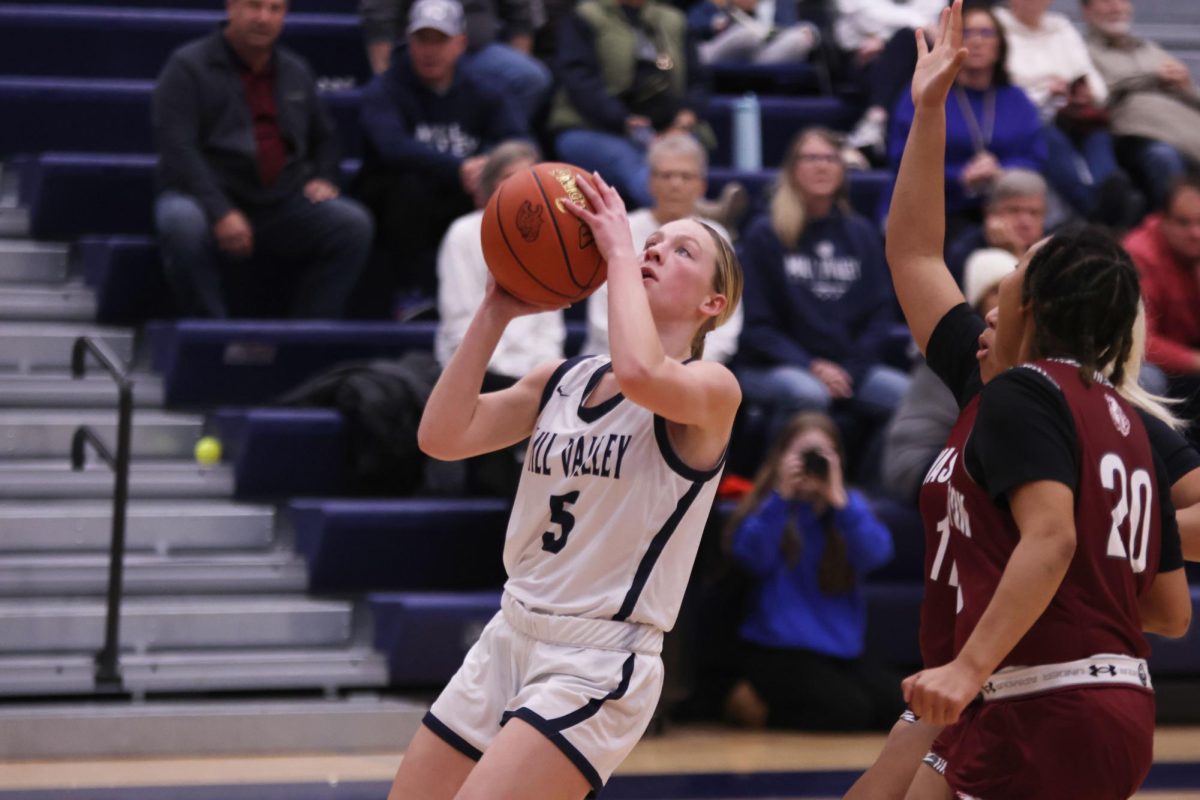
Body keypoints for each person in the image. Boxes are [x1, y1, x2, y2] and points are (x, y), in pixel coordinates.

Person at [861, 5, 1190, 799]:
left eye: (1008, 282)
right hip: (1017, 685)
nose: (989, 300)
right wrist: (929, 110)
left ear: (1030, 308)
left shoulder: (1030, 395)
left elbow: (1051, 541)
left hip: (1037, 687)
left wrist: (1090, 545)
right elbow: (911, 251)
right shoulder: (1040, 394)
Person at [389, 170, 743, 799]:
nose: (656, 249)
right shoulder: (561, 381)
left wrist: (615, 253)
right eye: (652, 241)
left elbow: (640, 372)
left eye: (682, 250)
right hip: (509, 633)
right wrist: (495, 310)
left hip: (597, 661)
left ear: (712, 305)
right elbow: (441, 436)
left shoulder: (711, 391)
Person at [152, 0, 373, 319]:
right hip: (204, 196)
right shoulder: (187, 66)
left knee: (352, 225)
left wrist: (325, 178)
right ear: (231, 7)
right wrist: (221, 211)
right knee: (180, 223)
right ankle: (211, 336)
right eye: (254, 6)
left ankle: (307, 337)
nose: (263, 18)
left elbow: (325, 137)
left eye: (275, 8)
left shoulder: (296, 70)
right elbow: (178, 150)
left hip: (280, 200)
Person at [724, 412, 900, 732]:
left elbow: (877, 554)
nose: (811, 465)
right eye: (803, 455)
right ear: (780, 458)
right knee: (848, 712)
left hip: (839, 650)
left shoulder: (848, 508)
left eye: (820, 456)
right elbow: (750, 558)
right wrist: (782, 498)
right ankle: (749, 704)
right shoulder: (768, 505)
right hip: (777, 650)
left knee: (895, 707)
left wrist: (840, 504)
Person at [737, 128, 909, 438]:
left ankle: (867, 485)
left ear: (843, 170)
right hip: (774, 365)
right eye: (812, 158)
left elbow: (879, 316)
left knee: (909, 401)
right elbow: (758, 327)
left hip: (847, 367)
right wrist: (811, 365)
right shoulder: (765, 233)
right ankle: (779, 483)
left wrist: (849, 370)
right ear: (792, 169)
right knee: (807, 393)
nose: (822, 166)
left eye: (831, 158)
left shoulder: (861, 233)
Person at [354, 0, 529, 303]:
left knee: (506, 184)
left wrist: (488, 165)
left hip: (461, 195)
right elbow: (392, 146)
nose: (429, 50)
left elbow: (517, 140)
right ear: (409, 42)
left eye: (440, 40)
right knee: (410, 187)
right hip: (394, 205)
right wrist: (459, 167)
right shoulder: (386, 88)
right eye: (422, 40)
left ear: (460, 43)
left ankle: (497, 291)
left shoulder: (484, 88)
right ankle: (410, 291)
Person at [886, 3, 1045, 237]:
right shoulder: (926, 93)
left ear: (999, 44)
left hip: (1004, 209)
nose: (977, 41)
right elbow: (901, 157)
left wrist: (1001, 171)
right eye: (967, 33)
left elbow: (1036, 158)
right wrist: (958, 175)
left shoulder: (1017, 100)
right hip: (935, 208)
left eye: (986, 33)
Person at [584, 133, 742, 363]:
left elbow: (726, 325)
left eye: (685, 176)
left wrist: (685, 371)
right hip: (612, 365)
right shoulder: (621, 227)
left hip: (692, 373)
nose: (675, 184)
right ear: (650, 182)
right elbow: (602, 321)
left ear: (702, 185)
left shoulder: (716, 236)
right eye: (666, 175)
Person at [881, 248, 1016, 505]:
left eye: (1011, 293)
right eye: (995, 291)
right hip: (919, 461)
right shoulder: (968, 349)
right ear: (976, 302)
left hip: (957, 452)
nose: (1004, 303)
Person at [548, 0, 713, 209]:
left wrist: (682, 123)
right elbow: (579, 81)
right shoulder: (585, 16)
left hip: (669, 127)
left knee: (682, 155)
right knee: (636, 163)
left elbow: (699, 81)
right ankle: (702, 214)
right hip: (593, 127)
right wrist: (623, 120)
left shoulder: (674, 19)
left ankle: (700, 221)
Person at [994, 0, 1137, 226]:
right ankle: (1094, 209)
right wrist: (1045, 93)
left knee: (1098, 136)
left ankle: (1108, 186)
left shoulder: (1061, 26)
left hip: (1074, 113)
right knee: (1047, 135)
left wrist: (1086, 92)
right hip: (1030, 115)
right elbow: (1003, 82)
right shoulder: (997, 25)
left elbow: (1090, 76)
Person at [1083, 0, 1200, 211]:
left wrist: (1186, 86)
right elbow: (1099, 92)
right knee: (1163, 157)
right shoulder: (1084, 51)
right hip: (1140, 134)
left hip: (1186, 125)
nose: (1116, 7)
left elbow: (1191, 91)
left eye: (1122, 1)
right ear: (1087, 11)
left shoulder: (1151, 49)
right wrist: (1151, 77)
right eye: (1106, 2)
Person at [359, 0, 552, 120]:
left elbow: (520, 14)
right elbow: (379, 17)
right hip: (422, 49)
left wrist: (519, 54)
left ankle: (491, 156)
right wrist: (384, 77)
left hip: (480, 53)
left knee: (530, 77)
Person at [1123, 175, 1200, 439]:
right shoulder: (1140, 255)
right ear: (1162, 220)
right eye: (1183, 223)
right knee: (1148, 378)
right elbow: (1141, 341)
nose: (1195, 233)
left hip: (1187, 357)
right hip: (1148, 363)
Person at [837, 0, 947, 162]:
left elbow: (934, 19)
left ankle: (874, 122)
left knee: (906, 40)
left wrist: (885, 41)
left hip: (915, 57)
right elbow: (866, 17)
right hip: (862, 59)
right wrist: (918, 25)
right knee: (904, 44)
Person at [944, 167, 1045, 286]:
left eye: (1034, 213)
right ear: (990, 214)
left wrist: (1017, 253)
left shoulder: (1053, 250)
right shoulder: (964, 254)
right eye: (1014, 211)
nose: (1025, 222)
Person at [687, 0, 821, 66]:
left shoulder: (781, 3)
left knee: (803, 34)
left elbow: (789, 26)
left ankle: (762, 79)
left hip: (764, 54)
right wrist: (716, 22)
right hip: (720, 49)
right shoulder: (718, 3)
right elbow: (691, 23)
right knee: (747, 33)